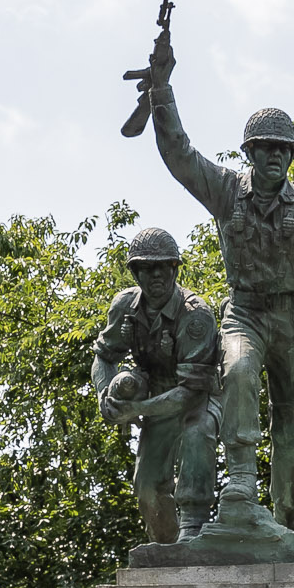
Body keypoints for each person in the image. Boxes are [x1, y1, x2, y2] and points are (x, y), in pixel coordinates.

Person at [146, 60, 294, 526]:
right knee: (238, 367)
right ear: (250, 153)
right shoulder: (225, 191)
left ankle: (289, 516)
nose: (274, 156)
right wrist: (162, 93)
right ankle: (240, 475)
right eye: (265, 149)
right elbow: (180, 154)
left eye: (283, 149)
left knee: (292, 424)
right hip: (245, 312)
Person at [93, 225, 222, 542]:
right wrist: (106, 396)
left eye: (164, 267)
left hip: (201, 396)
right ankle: (165, 552)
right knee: (147, 487)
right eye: (147, 268)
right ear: (135, 273)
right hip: (158, 395)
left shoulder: (196, 314)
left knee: (197, 435)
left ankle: (194, 530)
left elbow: (192, 391)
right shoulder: (124, 306)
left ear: (175, 269)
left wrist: (137, 410)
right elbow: (103, 356)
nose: (157, 276)